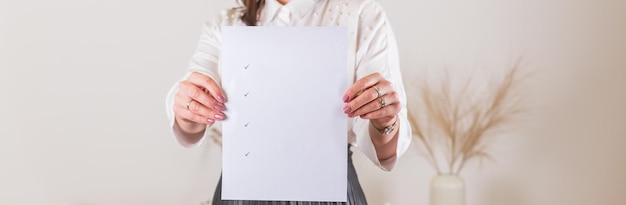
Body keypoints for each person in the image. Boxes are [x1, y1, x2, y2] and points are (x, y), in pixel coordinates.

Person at [166, 0, 411, 204]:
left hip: (331, 191)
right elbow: (189, 129)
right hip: (240, 193)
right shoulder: (225, 23)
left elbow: (385, 153)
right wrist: (189, 109)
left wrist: (385, 121)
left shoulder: (361, 15)